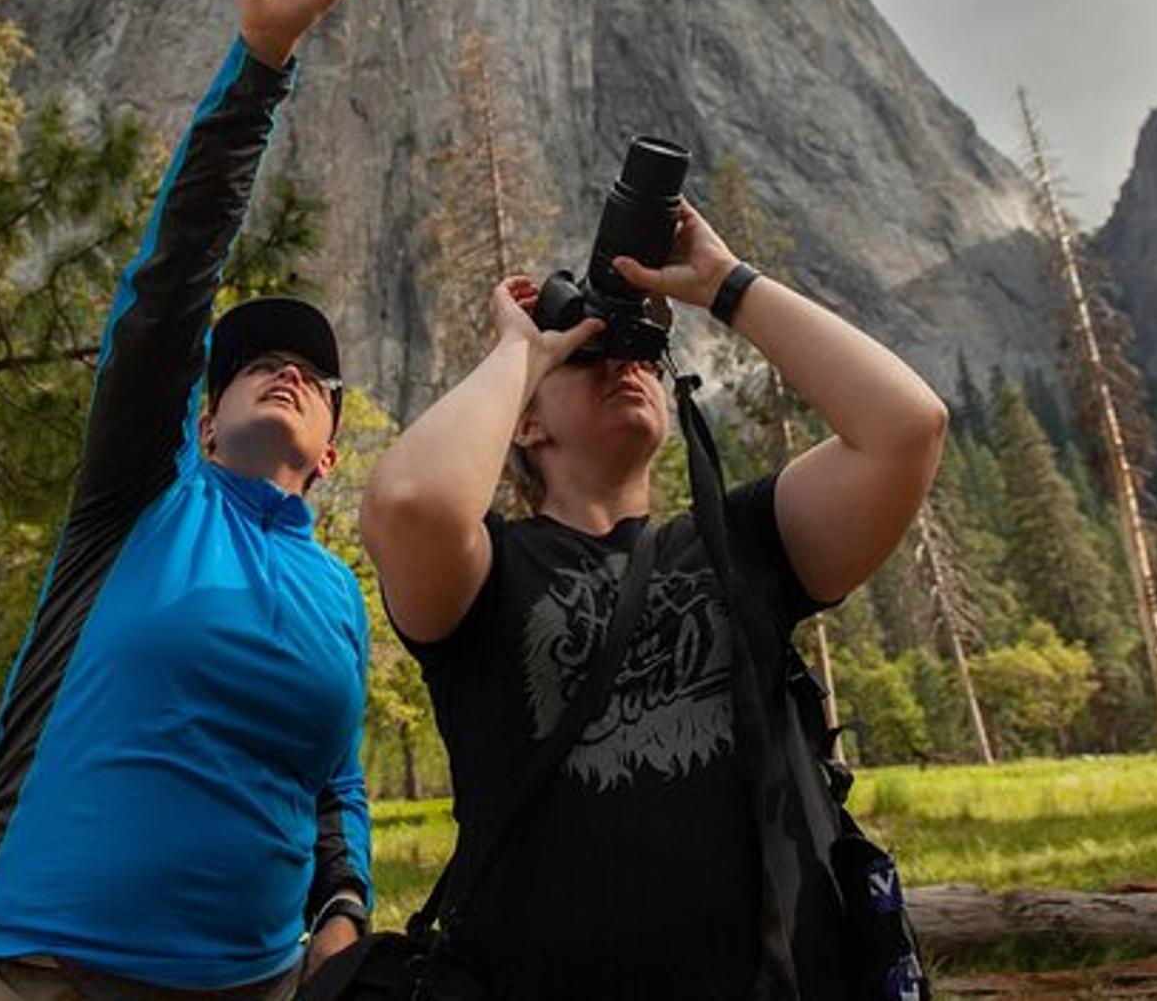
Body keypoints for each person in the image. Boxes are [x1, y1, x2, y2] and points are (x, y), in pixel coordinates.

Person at [0, 0, 372, 1001]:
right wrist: (260, 69)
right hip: (36, 968)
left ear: (327, 454)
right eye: (249, 364)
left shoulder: (336, 593)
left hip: (258, 986)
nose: (284, 369)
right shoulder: (144, 496)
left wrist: (344, 904)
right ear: (202, 419)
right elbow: (170, 293)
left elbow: (336, 781)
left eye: (313, 374)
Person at [360, 200, 949, 999]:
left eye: (642, 348)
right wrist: (522, 349)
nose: (625, 361)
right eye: (591, 353)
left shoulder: (738, 540)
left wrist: (725, 284)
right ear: (526, 424)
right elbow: (411, 502)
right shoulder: (483, 572)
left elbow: (907, 427)